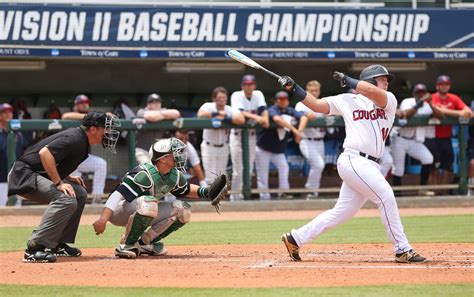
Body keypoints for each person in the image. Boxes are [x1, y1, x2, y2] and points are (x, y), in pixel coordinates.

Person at [279, 64, 426, 263]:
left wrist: (350, 81)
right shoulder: (347, 100)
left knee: (343, 212)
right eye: (382, 78)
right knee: (386, 196)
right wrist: (294, 87)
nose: (387, 82)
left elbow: (372, 91)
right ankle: (402, 249)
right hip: (353, 159)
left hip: (371, 164)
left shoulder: (388, 99)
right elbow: (315, 105)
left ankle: (295, 238)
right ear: (370, 80)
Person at [8, 111, 120, 263]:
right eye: (105, 128)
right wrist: (59, 182)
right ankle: (34, 247)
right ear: (93, 129)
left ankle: (57, 244)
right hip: (23, 175)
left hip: (35, 173)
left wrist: (67, 177)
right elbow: (45, 154)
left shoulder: (83, 141)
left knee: (79, 193)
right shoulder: (75, 138)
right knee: (66, 199)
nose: (109, 133)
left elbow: (55, 160)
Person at [92, 138, 228, 259]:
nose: (179, 155)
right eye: (175, 153)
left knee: (182, 210)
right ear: (162, 158)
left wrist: (207, 192)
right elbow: (117, 194)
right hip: (119, 211)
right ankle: (127, 245)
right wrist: (103, 219)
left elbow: (186, 189)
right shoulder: (143, 174)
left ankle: (145, 243)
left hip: (142, 207)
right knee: (149, 203)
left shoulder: (173, 174)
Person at [392, 84, 444, 196]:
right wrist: (421, 102)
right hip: (399, 138)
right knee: (399, 169)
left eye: (423, 92)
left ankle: (422, 189)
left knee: (428, 159)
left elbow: (441, 116)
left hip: (413, 140)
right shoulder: (408, 101)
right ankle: (396, 194)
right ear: (414, 93)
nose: (420, 94)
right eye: (418, 92)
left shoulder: (427, 105)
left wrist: (430, 103)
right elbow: (406, 115)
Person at [256, 91, 305, 200]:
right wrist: (294, 130)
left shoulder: (290, 111)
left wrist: (299, 131)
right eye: (280, 99)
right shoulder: (272, 109)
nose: (282, 101)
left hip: (277, 150)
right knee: (262, 174)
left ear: (288, 100)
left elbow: (303, 117)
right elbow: (277, 119)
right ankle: (264, 198)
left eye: (284, 99)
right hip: (263, 148)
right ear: (276, 101)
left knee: (284, 167)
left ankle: (283, 193)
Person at [62, 94, 108, 202]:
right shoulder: (73, 115)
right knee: (77, 190)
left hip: (83, 157)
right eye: (81, 103)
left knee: (101, 164)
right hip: (69, 159)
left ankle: (97, 197)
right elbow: (65, 116)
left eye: (86, 102)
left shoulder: (93, 120)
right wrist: (90, 117)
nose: (84, 105)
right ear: (76, 105)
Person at [229, 74, 269, 200]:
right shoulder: (236, 95)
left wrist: (266, 119)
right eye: (246, 84)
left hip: (251, 137)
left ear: (254, 85)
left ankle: (245, 195)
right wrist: (257, 117)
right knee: (238, 170)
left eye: (251, 84)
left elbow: (264, 109)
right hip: (237, 136)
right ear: (242, 86)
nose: (248, 86)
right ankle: (235, 197)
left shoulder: (258, 94)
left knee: (249, 169)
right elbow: (241, 112)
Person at [198, 87, 245, 185]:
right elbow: (200, 114)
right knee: (210, 178)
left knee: (220, 177)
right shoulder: (208, 106)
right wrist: (217, 114)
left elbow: (241, 119)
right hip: (209, 146)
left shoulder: (229, 109)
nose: (222, 100)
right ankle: (210, 199)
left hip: (223, 147)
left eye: (224, 97)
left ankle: (218, 200)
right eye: (219, 98)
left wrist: (226, 118)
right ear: (214, 98)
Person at [430, 75, 472, 187]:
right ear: (437, 86)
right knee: (433, 166)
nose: (444, 86)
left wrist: (450, 111)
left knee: (448, 166)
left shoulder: (453, 98)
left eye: (447, 84)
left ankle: (443, 192)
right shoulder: (432, 97)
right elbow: (437, 111)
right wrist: (458, 113)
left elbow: (469, 112)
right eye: (442, 84)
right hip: (432, 137)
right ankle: (432, 190)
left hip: (446, 137)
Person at [295, 81, 326, 199]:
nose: (314, 93)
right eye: (311, 91)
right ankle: (309, 190)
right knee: (318, 165)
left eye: (316, 90)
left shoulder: (322, 103)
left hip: (320, 140)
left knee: (318, 167)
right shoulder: (301, 104)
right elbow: (297, 113)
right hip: (306, 140)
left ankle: (314, 193)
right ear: (306, 92)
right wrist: (306, 114)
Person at [135, 93, 181, 164]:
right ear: (148, 104)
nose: (156, 104)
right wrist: (164, 116)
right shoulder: (141, 111)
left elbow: (176, 113)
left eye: (158, 102)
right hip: (142, 150)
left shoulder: (163, 110)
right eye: (152, 102)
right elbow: (151, 117)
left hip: (156, 153)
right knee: (150, 169)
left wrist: (159, 114)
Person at [0, 103, 27, 206]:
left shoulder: (18, 134)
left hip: (16, 181)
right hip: (1, 181)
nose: (8, 114)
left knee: (16, 211)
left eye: (10, 112)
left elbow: (24, 154)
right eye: (4, 112)